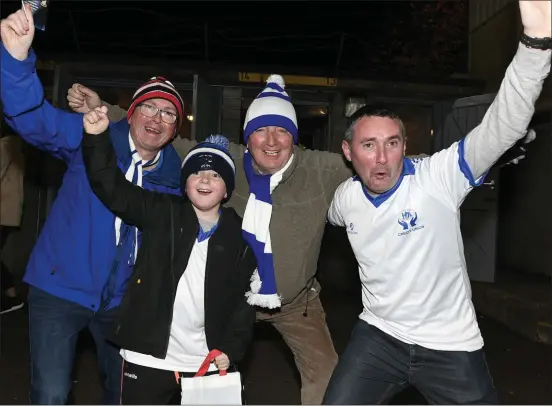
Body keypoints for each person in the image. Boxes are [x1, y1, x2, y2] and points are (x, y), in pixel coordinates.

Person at [69, 71, 426, 406]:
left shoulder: (322, 170)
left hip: (294, 303)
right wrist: (104, 108)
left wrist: (435, 169)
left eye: (282, 131)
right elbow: (163, 134)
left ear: (294, 137)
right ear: (247, 136)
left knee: (328, 377)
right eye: (261, 131)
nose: (271, 142)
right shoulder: (226, 165)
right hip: (228, 298)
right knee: (209, 378)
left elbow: (373, 161)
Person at [322, 1, 550, 404]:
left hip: (451, 345)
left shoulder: (437, 177)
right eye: (369, 146)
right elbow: (316, 215)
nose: (381, 158)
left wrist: (536, 43)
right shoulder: (345, 200)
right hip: (380, 336)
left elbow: (504, 125)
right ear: (347, 151)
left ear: (405, 147)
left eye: (392, 144)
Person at [0, 6, 184, 404]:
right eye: (149, 107)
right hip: (59, 288)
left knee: (124, 396)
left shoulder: (175, 180)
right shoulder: (91, 136)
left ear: (175, 129)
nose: (157, 117)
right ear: (131, 113)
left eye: (168, 113)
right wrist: (16, 62)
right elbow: (32, 118)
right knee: (49, 394)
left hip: (122, 304)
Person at [82, 107, 257, 404]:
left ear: (226, 190)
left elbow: (243, 301)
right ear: (185, 184)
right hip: (147, 357)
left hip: (208, 360)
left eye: (215, 175)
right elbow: (113, 190)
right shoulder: (163, 212)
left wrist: (231, 348)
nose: (204, 180)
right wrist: (97, 138)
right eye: (197, 173)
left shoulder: (240, 235)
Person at [0, 122, 25, 314]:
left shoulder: (5, 145)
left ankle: (12, 296)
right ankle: (11, 295)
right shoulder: (18, 147)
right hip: (8, 211)